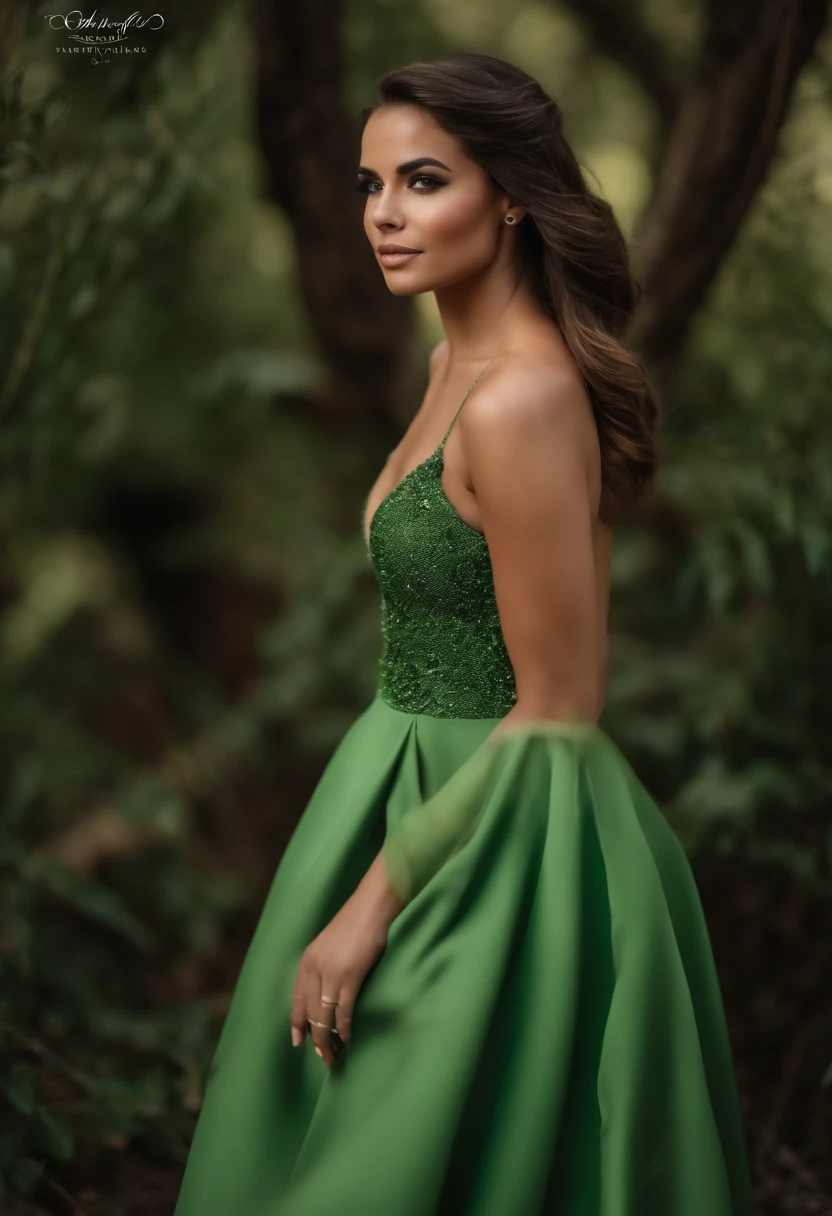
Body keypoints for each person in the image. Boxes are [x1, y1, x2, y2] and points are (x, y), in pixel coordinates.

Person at [173, 51, 753, 1216]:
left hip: (497, 823)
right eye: (368, 185)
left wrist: (371, 905)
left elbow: (560, 703)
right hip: (397, 774)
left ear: (513, 196)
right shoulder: (451, 362)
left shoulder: (522, 398)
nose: (384, 213)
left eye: (424, 181)